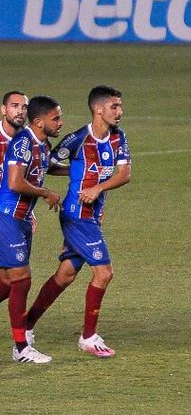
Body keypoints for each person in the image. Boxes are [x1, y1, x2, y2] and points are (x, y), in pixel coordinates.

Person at [24, 86, 131, 358]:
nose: (120, 112)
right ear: (98, 109)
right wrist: (79, 177)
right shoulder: (78, 139)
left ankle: (25, 325)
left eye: (119, 107)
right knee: (104, 273)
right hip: (77, 213)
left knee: (66, 274)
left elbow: (125, 174)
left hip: (93, 213)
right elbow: (47, 163)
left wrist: (97, 188)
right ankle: (88, 337)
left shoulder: (118, 138)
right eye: (114, 107)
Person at [0, 95, 63, 363]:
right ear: (39, 122)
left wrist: (80, 171)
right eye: (56, 118)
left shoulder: (42, 143)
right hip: (8, 218)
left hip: (23, 220)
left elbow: (47, 166)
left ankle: (20, 344)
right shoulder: (22, 143)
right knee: (22, 280)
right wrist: (45, 192)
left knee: (5, 283)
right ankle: (21, 347)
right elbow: (14, 182)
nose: (60, 123)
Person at [0, 91, 30, 308]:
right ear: (3, 109)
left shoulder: (26, 142)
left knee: (10, 280)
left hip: (11, 216)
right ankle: (21, 341)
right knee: (18, 278)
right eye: (14, 106)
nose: (20, 111)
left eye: (24, 107)